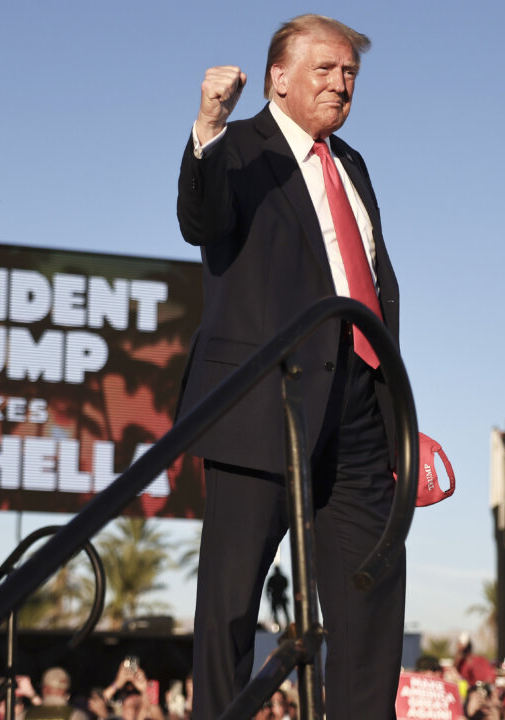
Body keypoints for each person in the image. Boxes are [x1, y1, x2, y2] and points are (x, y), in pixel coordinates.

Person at [176, 13, 405, 719]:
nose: (342, 84)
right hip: (261, 409)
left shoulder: (352, 163)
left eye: (350, 73)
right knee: (231, 610)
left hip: (361, 413)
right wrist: (208, 127)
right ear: (279, 76)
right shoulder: (239, 148)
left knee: (370, 607)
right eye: (326, 69)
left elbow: (376, 285)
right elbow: (202, 222)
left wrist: (399, 419)